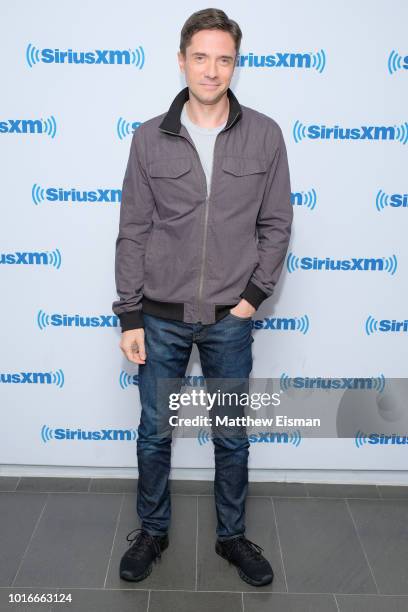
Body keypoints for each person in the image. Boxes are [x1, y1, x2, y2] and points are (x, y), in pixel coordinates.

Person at [112, 7, 293, 587]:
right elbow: (134, 228)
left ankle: (233, 537)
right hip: (160, 318)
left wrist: (251, 299)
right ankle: (152, 531)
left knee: (231, 434)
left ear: (236, 65)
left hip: (229, 319)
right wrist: (130, 313)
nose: (212, 70)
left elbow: (277, 223)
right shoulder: (149, 137)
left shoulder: (265, 134)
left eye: (224, 59)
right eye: (201, 56)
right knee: (155, 433)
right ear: (182, 58)